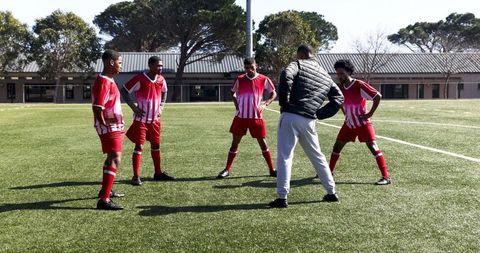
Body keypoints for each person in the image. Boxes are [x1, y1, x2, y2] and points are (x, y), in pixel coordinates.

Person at [269, 44, 344, 208]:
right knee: (318, 156)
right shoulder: (325, 75)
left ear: (300, 54)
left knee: (285, 156)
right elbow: (339, 98)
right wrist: (320, 113)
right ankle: (331, 192)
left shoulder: (297, 64)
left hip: (291, 115)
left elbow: (285, 75)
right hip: (310, 119)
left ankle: (282, 197)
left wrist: (284, 102)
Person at [329, 59, 391, 185]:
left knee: (373, 147)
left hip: (363, 124)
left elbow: (377, 96)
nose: (339, 76)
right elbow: (340, 101)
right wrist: (345, 113)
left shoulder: (359, 85)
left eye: (342, 73)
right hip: (349, 124)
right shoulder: (340, 88)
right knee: (337, 146)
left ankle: (386, 177)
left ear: (349, 72)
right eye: (338, 74)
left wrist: (370, 113)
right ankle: (329, 172)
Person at [217, 57, 277, 179]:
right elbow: (232, 92)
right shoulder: (240, 79)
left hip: (256, 117)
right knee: (235, 143)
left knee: (263, 144)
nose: (249, 70)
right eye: (246, 68)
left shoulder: (263, 79)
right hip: (241, 117)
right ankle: (227, 169)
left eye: (251, 67)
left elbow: (273, 93)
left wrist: (265, 104)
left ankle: (272, 169)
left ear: (256, 66)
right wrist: (236, 105)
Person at [121, 56, 175, 186]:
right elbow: (124, 90)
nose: (160, 68)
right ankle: (135, 176)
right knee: (139, 146)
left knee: (156, 146)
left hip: (155, 120)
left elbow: (164, 92)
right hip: (141, 120)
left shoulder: (161, 79)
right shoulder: (140, 78)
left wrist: (161, 107)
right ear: (150, 66)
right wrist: (134, 107)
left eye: (161, 66)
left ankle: (158, 173)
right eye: (158, 65)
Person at [92, 49, 125, 210]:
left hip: (114, 126)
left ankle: (105, 191)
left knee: (111, 157)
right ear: (111, 62)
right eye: (120, 63)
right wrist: (105, 124)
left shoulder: (108, 80)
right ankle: (104, 200)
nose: (121, 66)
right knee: (115, 158)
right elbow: (97, 107)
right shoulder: (104, 81)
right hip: (110, 127)